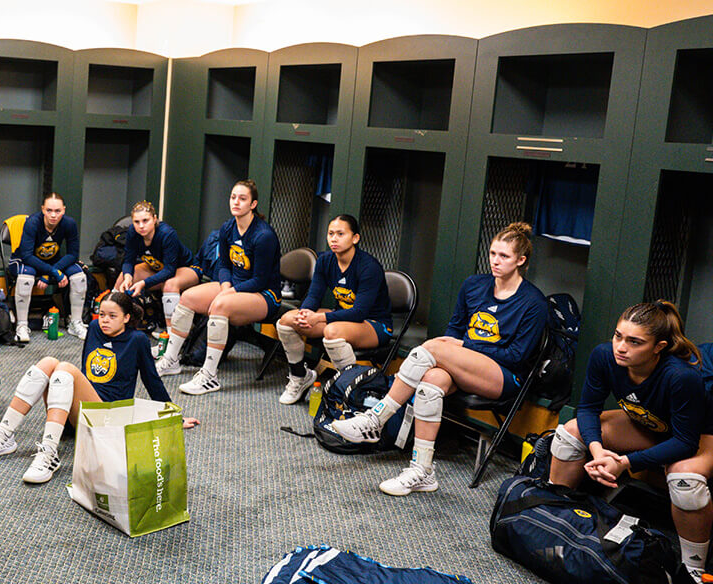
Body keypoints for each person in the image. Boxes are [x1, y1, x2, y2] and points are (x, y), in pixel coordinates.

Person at [331, 222, 547, 496]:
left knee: (432, 348)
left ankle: (376, 418)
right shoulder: (474, 285)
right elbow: (454, 330)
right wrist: (458, 349)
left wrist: (463, 346)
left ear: (521, 260)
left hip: (503, 375)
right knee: (431, 381)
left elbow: (517, 357)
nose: (495, 261)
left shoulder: (533, 302)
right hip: (463, 363)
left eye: (503, 256)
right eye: (492, 253)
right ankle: (422, 471)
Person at [548, 301, 711, 581]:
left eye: (635, 342)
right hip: (650, 423)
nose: (621, 347)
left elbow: (685, 442)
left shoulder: (681, 376)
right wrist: (598, 452)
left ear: (658, 347)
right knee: (568, 434)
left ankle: (693, 568)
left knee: (686, 482)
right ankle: (549, 517)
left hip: (698, 434)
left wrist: (625, 462)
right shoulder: (605, 356)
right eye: (618, 336)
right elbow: (588, 409)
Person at [0, 291, 198, 483]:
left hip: (108, 421)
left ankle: (49, 453)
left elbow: (152, 380)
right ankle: (4, 436)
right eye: (102, 314)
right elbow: (87, 374)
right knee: (49, 363)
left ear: (127, 318)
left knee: (65, 367)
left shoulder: (137, 340)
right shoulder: (96, 328)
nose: (105, 320)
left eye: (112, 316)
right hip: (80, 415)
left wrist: (173, 415)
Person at [155, 180, 283, 396]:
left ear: (253, 204)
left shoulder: (264, 236)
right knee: (188, 298)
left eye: (242, 199)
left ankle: (209, 376)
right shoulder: (227, 228)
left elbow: (260, 280)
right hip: (233, 286)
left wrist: (229, 292)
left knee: (220, 306)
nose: (236, 202)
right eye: (233, 197)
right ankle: (171, 359)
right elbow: (224, 265)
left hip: (264, 295)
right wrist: (225, 285)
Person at [276, 215, 392, 405]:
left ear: (355, 238)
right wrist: (305, 313)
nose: (334, 239)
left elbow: (359, 312)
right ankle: (300, 377)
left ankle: (349, 392)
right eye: (331, 234)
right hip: (343, 318)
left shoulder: (369, 267)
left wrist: (319, 317)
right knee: (288, 320)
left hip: (375, 324)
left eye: (340, 234)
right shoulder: (325, 260)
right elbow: (314, 296)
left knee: (332, 331)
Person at [10, 192, 88, 342]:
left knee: (79, 276)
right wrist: (53, 272)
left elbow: (73, 255)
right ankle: (22, 325)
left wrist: (50, 274)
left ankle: (75, 322)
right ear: (43, 209)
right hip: (26, 261)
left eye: (57, 211)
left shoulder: (69, 224)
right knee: (26, 277)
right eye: (49, 210)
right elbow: (27, 256)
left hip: (51, 262)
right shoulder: (33, 222)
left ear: (64, 210)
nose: (53, 215)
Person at [114, 200, 202, 328]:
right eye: (136, 222)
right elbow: (128, 260)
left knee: (170, 284)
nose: (141, 226)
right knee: (123, 276)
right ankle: (114, 326)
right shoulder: (133, 232)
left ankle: (171, 335)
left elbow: (169, 271)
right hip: (156, 268)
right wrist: (128, 277)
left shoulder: (167, 234)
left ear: (154, 219)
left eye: (145, 220)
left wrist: (144, 283)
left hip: (185, 269)